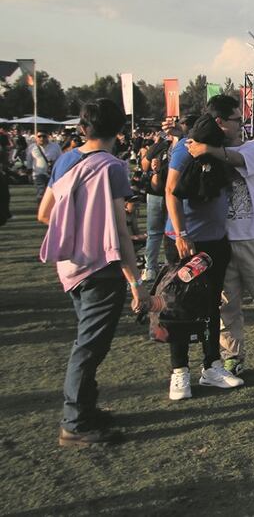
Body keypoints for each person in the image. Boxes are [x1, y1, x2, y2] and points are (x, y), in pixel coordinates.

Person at [38, 99, 141, 446]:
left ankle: (85, 408)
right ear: (120, 130)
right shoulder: (112, 167)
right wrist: (136, 281)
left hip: (70, 265)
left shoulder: (66, 160)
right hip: (101, 266)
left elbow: (44, 213)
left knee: (88, 340)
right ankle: (75, 421)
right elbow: (121, 230)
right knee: (89, 346)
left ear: (83, 127)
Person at [187, 115, 254, 377]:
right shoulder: (199, 150)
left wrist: (208, 150)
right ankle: (232, 355)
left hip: (253, 235)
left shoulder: (252, 147)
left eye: (232, 120)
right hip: (220, 239)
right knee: (227, 304)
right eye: (221, 120)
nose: (226, 125)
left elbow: (235, 160)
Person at [162, 96, 243, 400]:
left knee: (211, 306)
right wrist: (181, 233)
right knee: (180, 306)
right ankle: (179, 371)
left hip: (215, 242)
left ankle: (211, 366)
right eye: (236, 119)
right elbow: (170, 191)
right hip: (186, 243)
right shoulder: (186, 149)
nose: (240, 125)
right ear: (221, 122)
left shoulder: (219, 150)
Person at [140, 131, 170, 281]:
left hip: (164, 192)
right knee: (157, 232)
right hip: (158, 192)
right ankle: (152, 267)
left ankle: (160, 267)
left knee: (162, 233)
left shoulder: (179, 146)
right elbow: (145, 165)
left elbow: (144, 165)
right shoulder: (160, 147)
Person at [27, 131, 62, 201]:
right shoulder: (32, 147)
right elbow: (29, 161)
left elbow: (60, 159)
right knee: (41, 193)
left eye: (44, 136)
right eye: (39, 136)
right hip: (38, 174)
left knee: (52, 194)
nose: (41, 138)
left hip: (53, 174)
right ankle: (41, 209)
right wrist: (29, 173)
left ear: (48, 137)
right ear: (36, 137)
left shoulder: (55, 146)